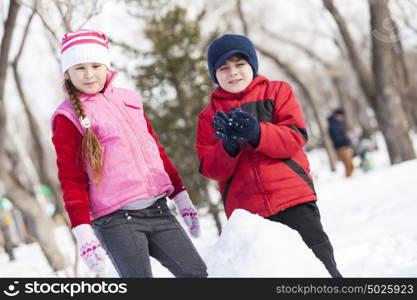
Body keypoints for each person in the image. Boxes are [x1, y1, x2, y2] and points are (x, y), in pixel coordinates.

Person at [51, 29, 207, 278]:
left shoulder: (129, 100)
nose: (90, 74)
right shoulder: (68, 116)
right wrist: (82, 231)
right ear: (67, 72)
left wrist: (181, 196)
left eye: (95, 65)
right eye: (80, 68)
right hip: (117, 221)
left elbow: (155, 151)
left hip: (159, 210)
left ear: (106, 66)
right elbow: (71, 178)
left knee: (196, 274)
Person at [196, 34, 342, 278]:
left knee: (321, 269)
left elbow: (294, 138)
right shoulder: (208, 116)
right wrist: (228, 147)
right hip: (249, 216)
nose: (233, 72)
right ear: (215, 74)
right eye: (223, 67)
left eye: (240, 64)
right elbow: (210, 168)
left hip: (293, 200)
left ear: (252, 65)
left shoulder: (278, 92)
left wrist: (257, 132)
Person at [327, 108, 354, 177]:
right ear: (338, 115)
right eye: (342, 116)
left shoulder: (336, 124)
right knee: (348, 164)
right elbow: (336, 137)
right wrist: (346, 137)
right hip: (341, 146)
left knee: (349, 164)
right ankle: (349, 178)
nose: (342, 118)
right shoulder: (333, 125)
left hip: (343, 145)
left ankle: (350, 177)